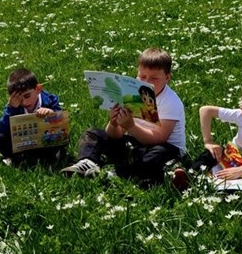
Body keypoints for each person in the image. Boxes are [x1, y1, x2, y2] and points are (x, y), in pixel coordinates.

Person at [62, 47, 186, 187]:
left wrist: (131, 126)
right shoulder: (132, 93)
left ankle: (121, 173)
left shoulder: (170, 101)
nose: (147, 82)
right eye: (142, 77)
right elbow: (115, 135)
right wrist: (114, 123)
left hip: (164, 147)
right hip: (136, 143)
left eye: (154, 78)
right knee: (93, 133)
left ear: (167, 78)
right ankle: (87, 161)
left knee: (158, 154)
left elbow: (160, 137)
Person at [0, 67, 65, 165]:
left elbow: (62, 124)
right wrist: (12, 108)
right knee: (0, 139)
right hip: (22, 142)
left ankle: (50, 156)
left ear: (38, 89)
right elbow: (2, 129)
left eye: (27, 96)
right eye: (19, 99)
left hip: (44, 141)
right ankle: (15, 158)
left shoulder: (50, 100)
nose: (24, 102)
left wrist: (51, 113)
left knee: (59, 139)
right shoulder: (13, 106)